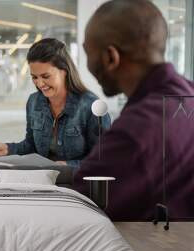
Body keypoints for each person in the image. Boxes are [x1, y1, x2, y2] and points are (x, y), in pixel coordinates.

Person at [74, 0, 194, 220]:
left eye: (87, 52)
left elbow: (82, 209)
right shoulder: (187, 95)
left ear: (111, 57)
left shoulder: (137, 132)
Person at [0, 38, 111, 167]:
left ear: (64, 71)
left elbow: (104, 159)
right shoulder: (34, 102)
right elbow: (31, 145)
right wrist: (7, 149)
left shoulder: (91, 106)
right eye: (34, 77)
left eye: (45, 76)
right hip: (44, 181)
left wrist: (67, 166)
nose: (39, 84)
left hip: (78, 183)